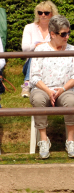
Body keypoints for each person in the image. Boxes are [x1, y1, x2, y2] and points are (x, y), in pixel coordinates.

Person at [28, 16, 74, 159]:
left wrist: (62, 89)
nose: (67, 37)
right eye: (63, 34)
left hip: (64, 89)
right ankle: (43, 140)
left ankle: (71, 140)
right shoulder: (40, 49)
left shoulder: (72, 49)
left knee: (72, 101)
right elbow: (34, 76)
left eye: (68, 33)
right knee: (38, 100)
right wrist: (48, 91)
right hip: (43, 89)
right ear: (52, 34)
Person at [21, 1, 58, 98]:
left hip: (51, 63)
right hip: (31, 64)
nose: (43, 15)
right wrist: (38, 46)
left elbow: (59, 46)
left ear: (52, 14)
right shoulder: (29, 28)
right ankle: (26, 85)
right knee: (35, 56)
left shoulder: (56, 29)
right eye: (40, 13)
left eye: (46, 13)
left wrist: (39, 46)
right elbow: (25, 48)